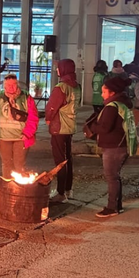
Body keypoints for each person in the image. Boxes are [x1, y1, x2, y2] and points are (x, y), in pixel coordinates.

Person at [83, 76, 136, 218]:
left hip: (114, 147)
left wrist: (92, 126)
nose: (101, 95)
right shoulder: (122, 104)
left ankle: (112, 207)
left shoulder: (112, 107)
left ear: (112, 93)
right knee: (115, 176)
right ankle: (117, 206)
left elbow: (105, 128)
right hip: (120, 145)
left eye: (104, 92)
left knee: (111, 176)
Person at [0, 74, 39, 180]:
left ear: (17, 85)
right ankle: (8, 188)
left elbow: (33, 117)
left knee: (19, 165)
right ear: (4, 86)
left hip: (21, 137)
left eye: (13, 85)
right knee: (6, 164)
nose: (11, 87)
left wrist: (28, 133)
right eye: (8, 85)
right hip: (3, 137)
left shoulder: (26, 97)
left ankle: (18, 189)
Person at [46, 59, 81, 203]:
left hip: (59, 127)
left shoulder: (61, 87)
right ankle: (68, 189)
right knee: (68, 158)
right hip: (70, 126)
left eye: (58, 68)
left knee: (60, 161)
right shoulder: (77, 86)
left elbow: (51, 107)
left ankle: (60, 193)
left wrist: (48, 119)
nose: (57, 70)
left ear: (63, 69)